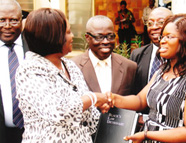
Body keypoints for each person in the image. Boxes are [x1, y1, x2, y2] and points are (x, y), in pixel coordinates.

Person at [108, 13, 186, 143]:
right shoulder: (163, 70)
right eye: (163, 36)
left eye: (169, 37)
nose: (162, 40)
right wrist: (111, 98)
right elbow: (140, 100)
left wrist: (147, 135)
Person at [16, 8, 110, 142]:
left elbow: (89, 118)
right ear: (52, 37)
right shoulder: (30, 70)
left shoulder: (70, 65)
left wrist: (104, 107)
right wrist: (93, 98)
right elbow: (58, 112)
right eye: (68, 32)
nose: (72, 37)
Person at [71, 15, 137, 96]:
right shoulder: (72, 67)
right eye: (99, 37)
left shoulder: (129, 67)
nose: (106, 42)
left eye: (110, 36)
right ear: (87, 38)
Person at [0, 1, 29, 143]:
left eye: (13, 20)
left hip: (32, 133)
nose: (7, 26)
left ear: (21, 21)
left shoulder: (35, 48)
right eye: (1, 20)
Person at [130, 7, 172, 95]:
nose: (154, 27)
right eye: (150, 23)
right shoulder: (137, 55)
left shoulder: (180, 56)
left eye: (161, 22)